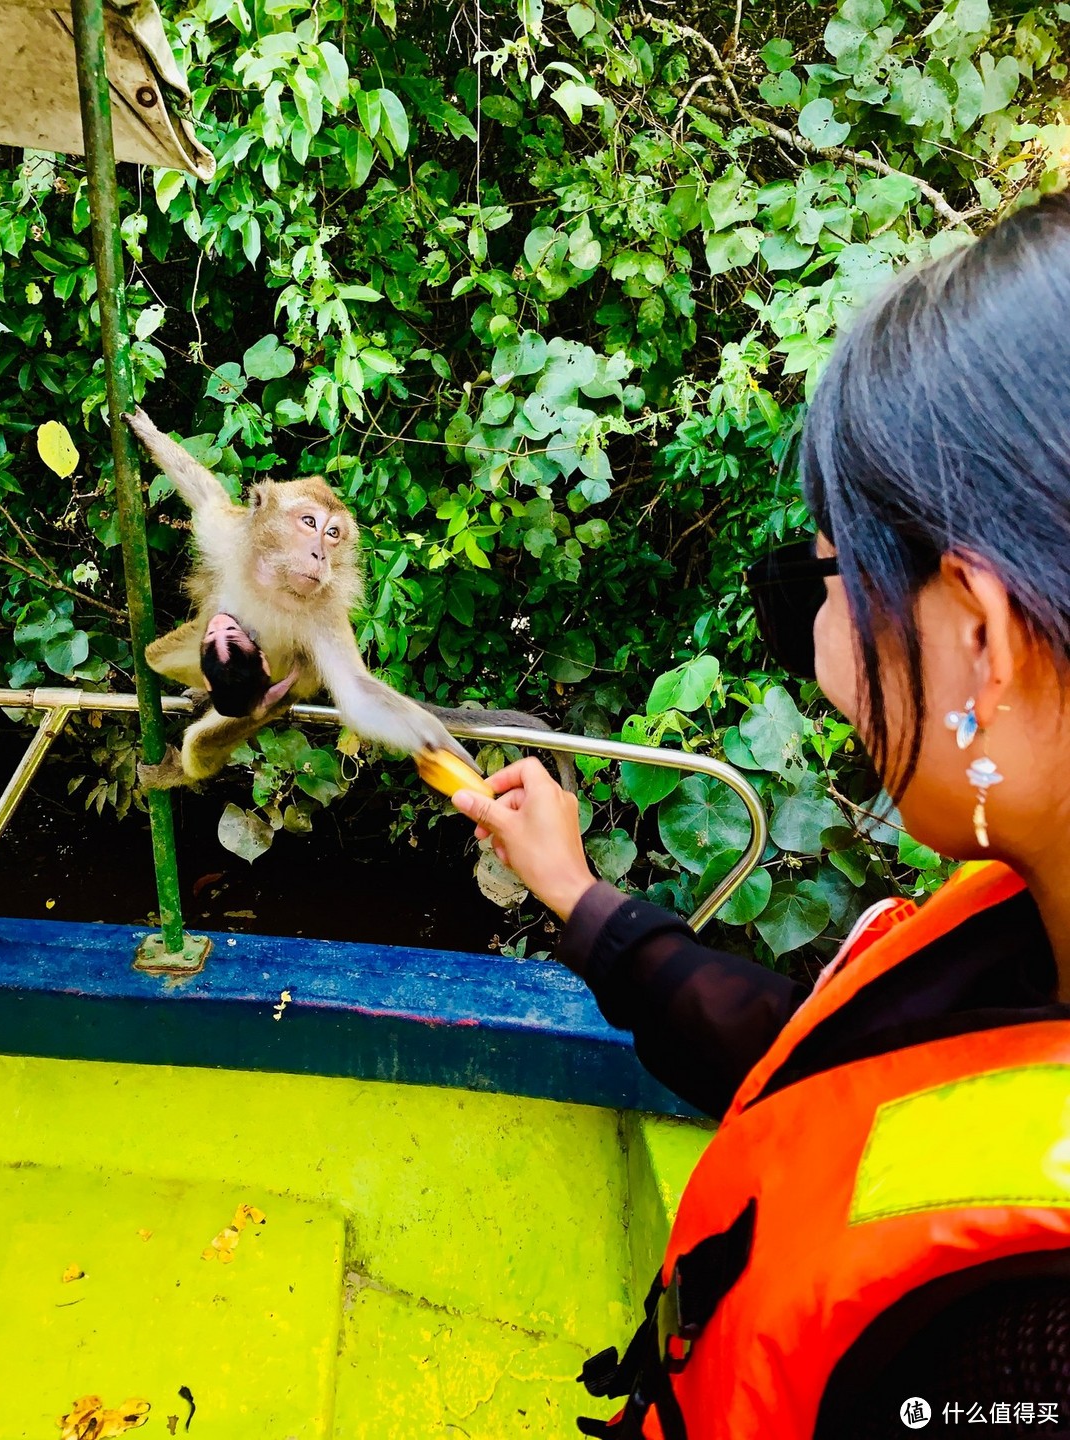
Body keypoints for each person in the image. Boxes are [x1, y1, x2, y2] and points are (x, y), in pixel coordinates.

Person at [452, 190, 1070, 1439]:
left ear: (980, 640)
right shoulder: (1029, 918)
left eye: (827, 581)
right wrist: (578, 897)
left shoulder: (1029, 1346)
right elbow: (827, 1071)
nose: (821, 652)